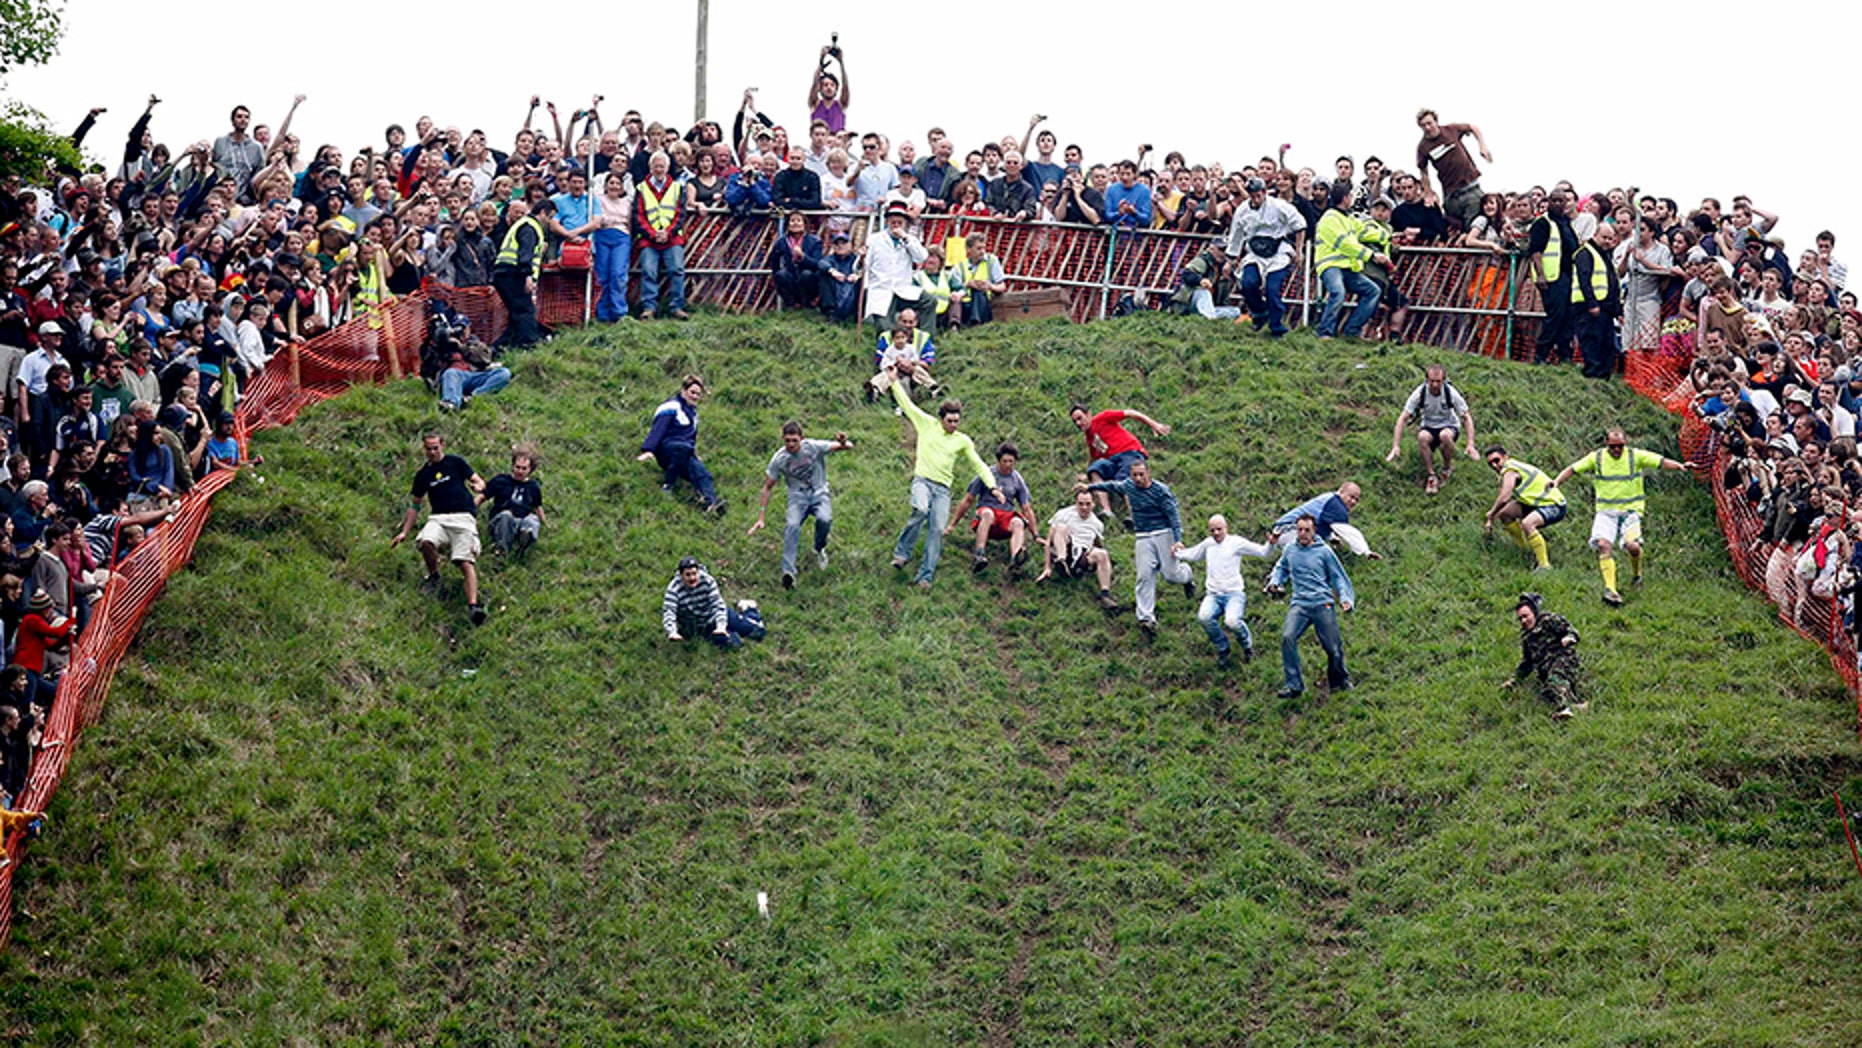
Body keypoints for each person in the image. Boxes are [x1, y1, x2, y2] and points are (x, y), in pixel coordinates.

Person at [1552, 428, 1687, 606]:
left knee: (1633, 547)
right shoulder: (1597, 458)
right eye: (1612, 446)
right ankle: (1611, 590)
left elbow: (1659, 462)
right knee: (1603, 544)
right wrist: (1556, 481)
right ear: (1606, 445)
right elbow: (1573, 469)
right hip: (1606, 512)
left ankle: (1637, 575)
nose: (1616, 450)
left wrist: (1680, 466)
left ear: (1626, 444)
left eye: (1620, 446)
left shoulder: (1635, 456)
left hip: (1630, 512)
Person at [888, 382, 999, 589]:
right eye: (950, 421)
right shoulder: (927, 424)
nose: (954, 425)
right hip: (922, 480)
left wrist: (992, 486)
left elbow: (977, 463)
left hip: (942, 490)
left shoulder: (962, 441)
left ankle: (925, 576)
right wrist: (894, 382)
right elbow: (907, 405)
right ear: (941, 419)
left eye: (957, 421)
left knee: (937, 529)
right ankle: (902, 554)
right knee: (920, 509)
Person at [1081, 459, 1193, 639]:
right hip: (1143, 535)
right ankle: (1146, 618)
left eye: (1141, 474)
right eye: (1134, 475)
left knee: (1171, 575)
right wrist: (1089, 487)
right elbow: (1112, 486)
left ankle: (1187, 575)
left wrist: (1177, 540)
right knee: (1144, 574)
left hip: (1163, 532)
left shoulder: (1160, 491)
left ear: (1148, 473)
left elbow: (1174, 516)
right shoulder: (1129, 486)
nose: (1138, 478)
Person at [389, 432, 488, 626]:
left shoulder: (456, 462)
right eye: (429, 449)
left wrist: (478, 486)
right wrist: (404, 532)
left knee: (465, 561)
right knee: (426, 541)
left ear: (442, 445)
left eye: (436, 448)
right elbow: (415, 505)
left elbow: (479, 480)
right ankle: (434, 576)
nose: (433, 452)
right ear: (424, 450)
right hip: (439, 518)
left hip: (463, 517)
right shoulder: (423, 474)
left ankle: (473, 607)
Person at [748, 421, 853, 589]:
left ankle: (819, 549)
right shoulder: (780, 458)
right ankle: (788, 573)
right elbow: (767, 487)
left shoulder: (812, 447)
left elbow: (848, 446)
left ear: (801, 439)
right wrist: (761, 516)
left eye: (794, 440)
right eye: (787, 440)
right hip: (797, 497)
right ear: (783, 439)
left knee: (825, 519)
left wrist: (842, 441)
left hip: (819, 492)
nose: (790, 444)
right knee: (792, 526)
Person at [1265, 514, 1356, 699]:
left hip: (1322, 603)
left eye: (1307, 530)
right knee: (1287, 637)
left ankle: (1340, 680)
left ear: (1314, 531)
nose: (1303, 533)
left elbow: (1338, 576)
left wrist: (1345, 598)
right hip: (1300, 604)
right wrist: (1275, 582)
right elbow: (1282, 568)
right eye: (1299, 530)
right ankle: (1294, 685)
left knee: (1333, 648)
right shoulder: (1290, 550)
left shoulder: (1324, 552)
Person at [1175, 513, 1275, 669]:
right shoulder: (1208, 544)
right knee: (1204, 617)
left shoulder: (1236, 543)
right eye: (1212, 530)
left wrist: (1271, 544)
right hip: (1213, 595)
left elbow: (1263, 552)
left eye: (1219, 529)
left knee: (1232, 622)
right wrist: (1177, 552)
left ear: (1226, 528)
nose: (1216, 533)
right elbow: (1193, 554)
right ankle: (1223, 647)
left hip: (1234, 594)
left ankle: (1247, 646)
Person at [1070, 403, 1171, 530]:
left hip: (1129, 452)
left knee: (1124, 478)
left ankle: (1135, 516)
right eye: (1075, 422)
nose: (1078, 423)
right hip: (1112, 461)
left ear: (1088, 414)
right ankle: (1107, 511)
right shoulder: (1089, 436)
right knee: (1095, 470)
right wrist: (1087, 473)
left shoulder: (1102, 418)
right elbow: (1093, 457)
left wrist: (1153, 424)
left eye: (1080, 418)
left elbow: (1130, 413)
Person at [1226, 177, 1306, 336]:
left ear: (1264, 192)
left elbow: (1300, 224)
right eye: (1252, 195)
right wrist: (1230, 260)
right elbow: (1236, 235)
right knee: (1248, 283)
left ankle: (1277, 327)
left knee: (1272, 288)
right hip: (1255, 253)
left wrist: (1299, 251)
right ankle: (1259, 313)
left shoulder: (1279, 206)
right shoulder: (1242, 210)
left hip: (1278, 252)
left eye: (1259, 194)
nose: (1256, 198)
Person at [638, 373, 726, 516]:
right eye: (692, 392)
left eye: (698, 394)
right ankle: (668, 485)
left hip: (686, 452)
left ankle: (711, 505)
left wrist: (696, 455)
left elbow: (691, 439)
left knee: (704, 474)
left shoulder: (694, 415)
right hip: (667, 450)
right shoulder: (671, 406)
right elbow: (658, 429)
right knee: (682, 449)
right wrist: (648, 450)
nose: (695, 397)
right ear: (683, 391)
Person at [948, 442, 1037, 576]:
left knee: (1018, 522)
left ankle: (1015, 560)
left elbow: (1026, 508)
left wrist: (1035, 535)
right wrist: (952, 524)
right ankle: (979, 554)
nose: (1008, 465)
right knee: (988, 514)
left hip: (1006, 516)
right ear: (999, 460)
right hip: (987, 515)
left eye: (1011, 461)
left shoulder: (1017, 479)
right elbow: (968, 500)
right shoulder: (987, 474)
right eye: (1005, 461)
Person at [1385, 364, 1478, 493]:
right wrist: (1395, 446)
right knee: (1422, 437)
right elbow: (1402, 418)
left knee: (1445, 436)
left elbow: (1466, 417)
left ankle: (1446, 469)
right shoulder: (1420, 393)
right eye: (1432, 381)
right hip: (1429, 426)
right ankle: (1431, 475)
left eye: (1438, 382)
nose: (1434, 385)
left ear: (1443, 381)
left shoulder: (1450, 392)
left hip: (1449, 425)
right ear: (1427, 380)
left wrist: (1470, 444)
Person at [1313, 183, 1387, 340]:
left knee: (1372, 291)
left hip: (1346, 267)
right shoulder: (1329, 219)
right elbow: (1345, 244)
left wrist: (1386, 236)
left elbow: (1365, 232)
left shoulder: (1348, 219)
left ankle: (1352, 331)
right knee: (1337, 292)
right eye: (1351, 196)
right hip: (1330, 265)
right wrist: (1372, 255)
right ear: (1346, 198)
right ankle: (1324, 332)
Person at [1481, 443, 1568, 572]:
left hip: (1553, 505)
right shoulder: (1509, 470)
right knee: (1505, 514)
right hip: (1535, 503)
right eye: (1490, 464)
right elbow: (1501, 497)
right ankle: (1523, 548)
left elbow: (1505, 497)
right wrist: (1492, 518)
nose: (1494, 465)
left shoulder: (1510, 470)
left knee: (1527, 524)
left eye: (1496, 460)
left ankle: (1544, 566)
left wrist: (1491, 514)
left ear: (1505, 457)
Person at [1502, 592, 1588, 719]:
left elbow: (1571, 630)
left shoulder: (1549, 621)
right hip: (1546, 670)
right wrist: (1514, 681)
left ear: (1534, 613)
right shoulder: (1527, 638)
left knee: (1555, 680)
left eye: (1526, 616)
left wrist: (1569, 638)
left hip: (1563, 659)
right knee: (1547, 692)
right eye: (1520, 619)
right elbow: (1527, 663)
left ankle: (1564, 709)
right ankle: (1577, 707)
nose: (1523, 621)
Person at [1035, 489, 1119, 612]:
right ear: (1076, 503)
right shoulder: (1064, 514)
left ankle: (1105, 595)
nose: (1084, 508)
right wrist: (1047, 568)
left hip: (1082, 554)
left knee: (1103, 554)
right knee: (1061, 527)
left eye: (1088, 504)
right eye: (1080, 504)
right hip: (1065, 547)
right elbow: (1049, 541)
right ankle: (1061, 562)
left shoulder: (1097, 524)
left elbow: (1098, 544)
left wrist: (1102, 559)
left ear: (1093, 505)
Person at [662, 556, 765, 649]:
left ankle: (749, 609)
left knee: (758, 632)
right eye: (688, 575)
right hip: (701, 626)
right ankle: (733, 630)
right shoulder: (674, 589)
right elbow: (669, 611)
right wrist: (672, 632)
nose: (692, 578)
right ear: (681, 575)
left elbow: (718, 604)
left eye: (694, 573)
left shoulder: (708, 581)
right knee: (735, 644)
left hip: (715, 615)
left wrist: (721, 626)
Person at [1414, 109, 1492, 231]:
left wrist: (1482, 147)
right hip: (1451, 193)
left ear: (1436, 121)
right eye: (1423, 126)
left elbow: (1472, 127)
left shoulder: (1451, 130)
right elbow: (1423, 171)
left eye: (1429, 123)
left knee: (1473, 225)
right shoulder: (1423, 147)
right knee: (1454, 227)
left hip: (1470, 186)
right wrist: (1428, 191)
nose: (1428, 127)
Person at [634, 151, 690, 321]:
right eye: (656, 166)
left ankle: (677, 307)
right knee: (648, 272)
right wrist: (652, 234)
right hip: (648, 239)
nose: (659, 169)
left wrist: (668, 233)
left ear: (667, 168)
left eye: (662, 166)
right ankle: (649, 308)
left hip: (672, 238)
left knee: (677, 271)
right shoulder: (641, 188)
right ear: (650, 167)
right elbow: (638, 215)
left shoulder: (677, 188)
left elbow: (680, 214)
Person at [1526, 190, 1578, 364]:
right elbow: (1535, 251)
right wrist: (1541, 275)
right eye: (1554, 200)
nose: (1558, 204)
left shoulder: (1566, 223)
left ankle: (1565, 355)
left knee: (1567, 316)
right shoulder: (1542, 223)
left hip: (1567, 274)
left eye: (1561, 201)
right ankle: (1541, 354)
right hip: (1551, 277)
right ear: (1548, 202)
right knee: (1555, 316)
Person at [491, 197, 549, 349]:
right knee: (525, 310)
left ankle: (502, 347)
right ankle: (528, 345)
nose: (550, 222)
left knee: (516, 313)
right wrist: (527, 275)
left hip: (505, 272)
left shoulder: (524, 225)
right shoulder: (530, 227)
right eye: (550, 217)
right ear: (543, 213)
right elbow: (525, 253)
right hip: (513, 273)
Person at [1269, 483, 1381, 559]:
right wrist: (1366, 551)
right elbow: (1347, 532)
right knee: (1301, 555)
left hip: (1285, 530)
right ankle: (1274, 581)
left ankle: (1276, 583)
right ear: (1341, 492)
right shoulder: (1336, 504)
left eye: (1357, 499)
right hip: (1289, 529)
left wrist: (1331, 537)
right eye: (1351, 497)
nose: (1353, 502)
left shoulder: (1329, 499)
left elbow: (1320, 521)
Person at [1572, 222, 1623, 379]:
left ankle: (1603, 375)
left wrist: (1617, 310)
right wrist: (1591, 303)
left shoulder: (1604, 255)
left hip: (1605, 307)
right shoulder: (1585, 253)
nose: (1607, 241)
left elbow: (1613, 282)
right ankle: (1592, 374)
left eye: (1610, 238)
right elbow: (1584, 280)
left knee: (1606, 344)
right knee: (1592, 342)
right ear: (1595, 235)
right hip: (1589, 307)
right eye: (1604, 237)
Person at [480, 444, 545, 556]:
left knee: (532, 519)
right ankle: (502, 550)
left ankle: (524, 542)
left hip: (521, 520)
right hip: (501, 520)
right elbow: (482, 497)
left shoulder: (533, 487)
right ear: (513, 466)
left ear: (530, 470)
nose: (520, 471)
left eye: (524, 468)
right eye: (517, 467)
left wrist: (544, 523)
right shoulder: (501, 480)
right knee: (507, 516)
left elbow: (537, 507)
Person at [1170, 238, 1239, 320]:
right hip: (1186, 303)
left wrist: (1225, 278)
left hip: (1208, 307)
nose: (1223, 253)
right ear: (1211, 249)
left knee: (1236, 311)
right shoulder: (1202, 260)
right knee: (1204, 292)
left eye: (1226, 251)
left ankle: (1208, 315)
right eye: (1221, 250)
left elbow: (1223, 300)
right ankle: (1210, 318)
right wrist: (1200, 281)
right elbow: (1186, 274)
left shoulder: (1224, 268)